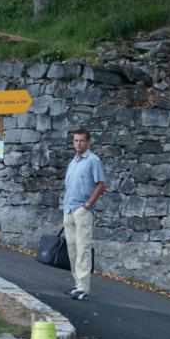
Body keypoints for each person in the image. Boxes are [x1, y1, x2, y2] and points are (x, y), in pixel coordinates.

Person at [63, 128, 105, 301]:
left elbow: (101, 184)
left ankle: (83, 288)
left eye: (81, 141)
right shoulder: (73, 162)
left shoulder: (93, 160)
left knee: (83, 249)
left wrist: (87, 205)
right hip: (68, 210)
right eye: (75, 141)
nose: (78, 144)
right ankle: (77, 284)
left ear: (88, 142)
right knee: (72, 249)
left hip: (83, 211)